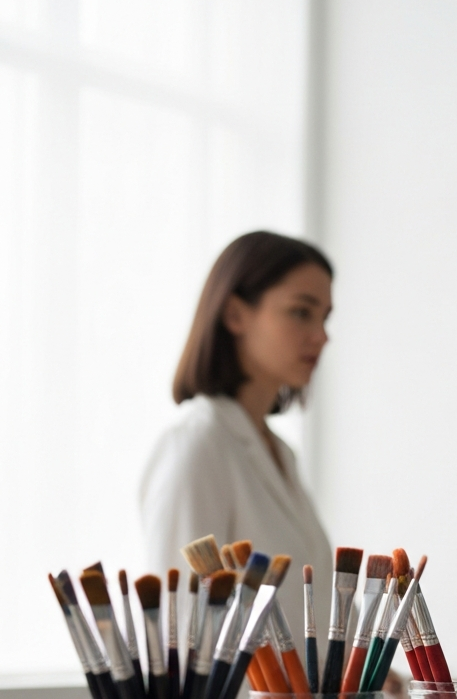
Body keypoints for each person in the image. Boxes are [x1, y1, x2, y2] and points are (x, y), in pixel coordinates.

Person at [140, 230, 334, 650]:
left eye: (325, 318)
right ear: (234, 314)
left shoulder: (280, 453)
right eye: (302, 312)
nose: (321, 336)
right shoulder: (197, 443)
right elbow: (179, 632)